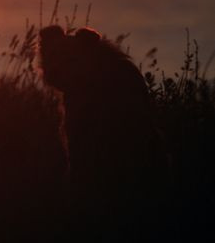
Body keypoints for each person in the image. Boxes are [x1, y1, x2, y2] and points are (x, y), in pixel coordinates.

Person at [38, 25, 168, 202]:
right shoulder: (102, 74)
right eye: (52, 60)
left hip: (125, 173)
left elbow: (80, 159)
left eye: (69, 62)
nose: (57, 69)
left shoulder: (91, 86)